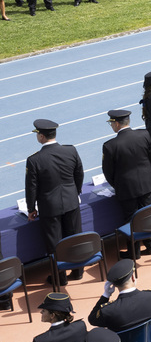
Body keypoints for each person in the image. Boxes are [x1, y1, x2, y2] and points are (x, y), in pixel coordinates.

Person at [25, 118, 84, 281]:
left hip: (50, 208)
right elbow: (79, 174)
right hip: (72, 202)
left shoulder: (34, 160)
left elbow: (31, 187)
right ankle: (78, 271)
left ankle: (60, 277)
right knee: (74, 238)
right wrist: (76, 192)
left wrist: (31, 209)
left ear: (41, 137)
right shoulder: (71, 150)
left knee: (54, 244)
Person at [100, 109, 151, 231]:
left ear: (117, 124)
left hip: (126, 188)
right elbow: (150, 158)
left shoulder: (110, 146)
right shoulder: (144, 134)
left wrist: (118, 185)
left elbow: (108, 172)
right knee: (148, 216)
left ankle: (134, 249)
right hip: (146, 183)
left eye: (111, 123)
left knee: (130, 220)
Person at [88, 259, 151, 332]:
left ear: (114, 285)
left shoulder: (109, 310)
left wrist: (106, 295)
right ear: (132, 278)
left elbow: (92, 319)